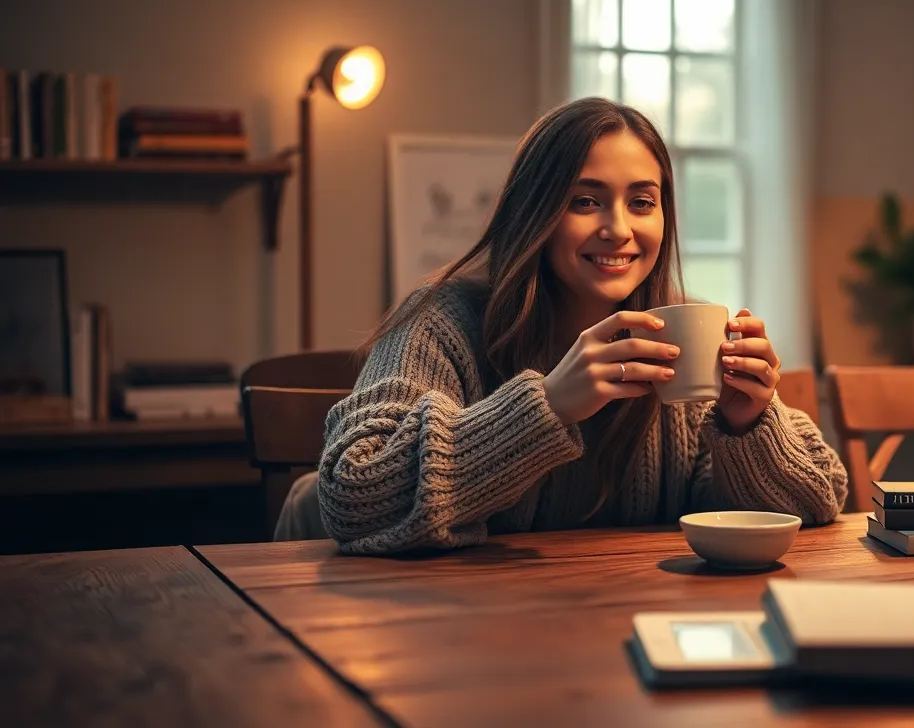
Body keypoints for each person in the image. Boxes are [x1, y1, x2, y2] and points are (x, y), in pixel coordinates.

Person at [274, 97, 847, 554]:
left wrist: (747, 423)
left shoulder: (679, 337)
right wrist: (547, 405)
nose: (619, 228)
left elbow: (822, 501)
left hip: (606, 627)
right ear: (537, 214)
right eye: (585, 201)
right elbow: (354, 493)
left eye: (642, 202)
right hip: (420, 631)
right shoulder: (438, 322)